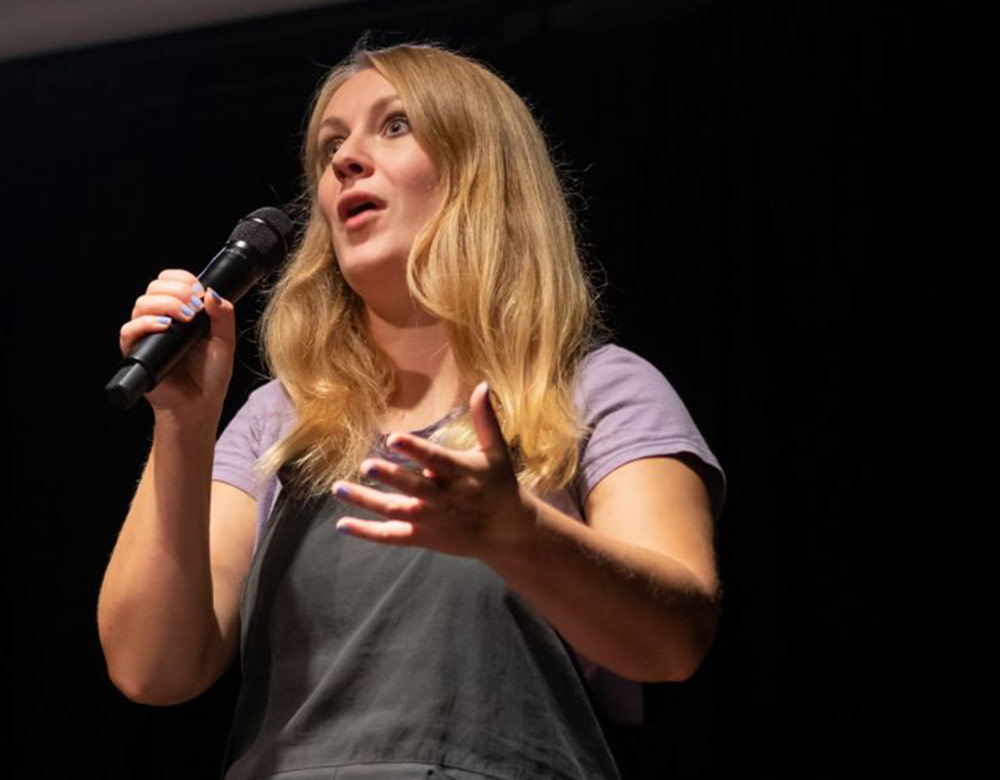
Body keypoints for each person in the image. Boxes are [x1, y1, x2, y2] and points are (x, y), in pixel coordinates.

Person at [98, 41, 725, 780]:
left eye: (394, 126)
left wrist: (517, 533)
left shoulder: (597, 390)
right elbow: (152, 667)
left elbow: (672, 640)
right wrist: (184, 427)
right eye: (331, 143)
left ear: (483, 175)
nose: (345, 160)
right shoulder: (279, 420)